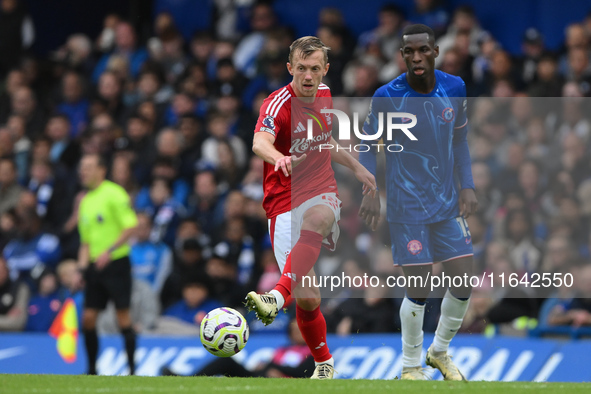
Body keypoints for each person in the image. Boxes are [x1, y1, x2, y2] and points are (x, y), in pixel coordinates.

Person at [244, 36, 376, 380]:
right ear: (290, 68)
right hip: (282, 201)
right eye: (301, 68)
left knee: (318, 218)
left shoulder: (325, 96)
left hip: (319, 190)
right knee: (308, 296)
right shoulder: (276, 105)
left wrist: (357, 167)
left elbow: (323, 140)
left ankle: (275, 296)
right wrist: (279, 158)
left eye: (314, 69)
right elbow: (260, 142)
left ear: (325, 70)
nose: (307, 76)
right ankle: (323, 363)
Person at [359, 24, 478, 381]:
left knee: (463, 280)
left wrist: (467, 185)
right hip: (405, 206)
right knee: (420, 285)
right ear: (402, 55)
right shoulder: (387, 95)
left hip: (445, 203)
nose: (416, 57)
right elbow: (367, 144)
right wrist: (370, 191)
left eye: (422, 50)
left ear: (435, 51)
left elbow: (460, 141)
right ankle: (411, 366)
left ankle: (439, 352)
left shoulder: (454, 88)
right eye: (408, 52)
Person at [77, 154, 139, 375]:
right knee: (88, 317)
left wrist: (110, 251)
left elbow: (131, 226)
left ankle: (132, 370)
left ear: (102, 170)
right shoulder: (85, 201)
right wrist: (81, 269)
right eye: (82, 167)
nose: (83, 171)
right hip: (95, 267)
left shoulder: (114, 193)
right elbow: (85, 242)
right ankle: (92, 369)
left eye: (88, 167)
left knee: (122, 315)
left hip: (116, 263)